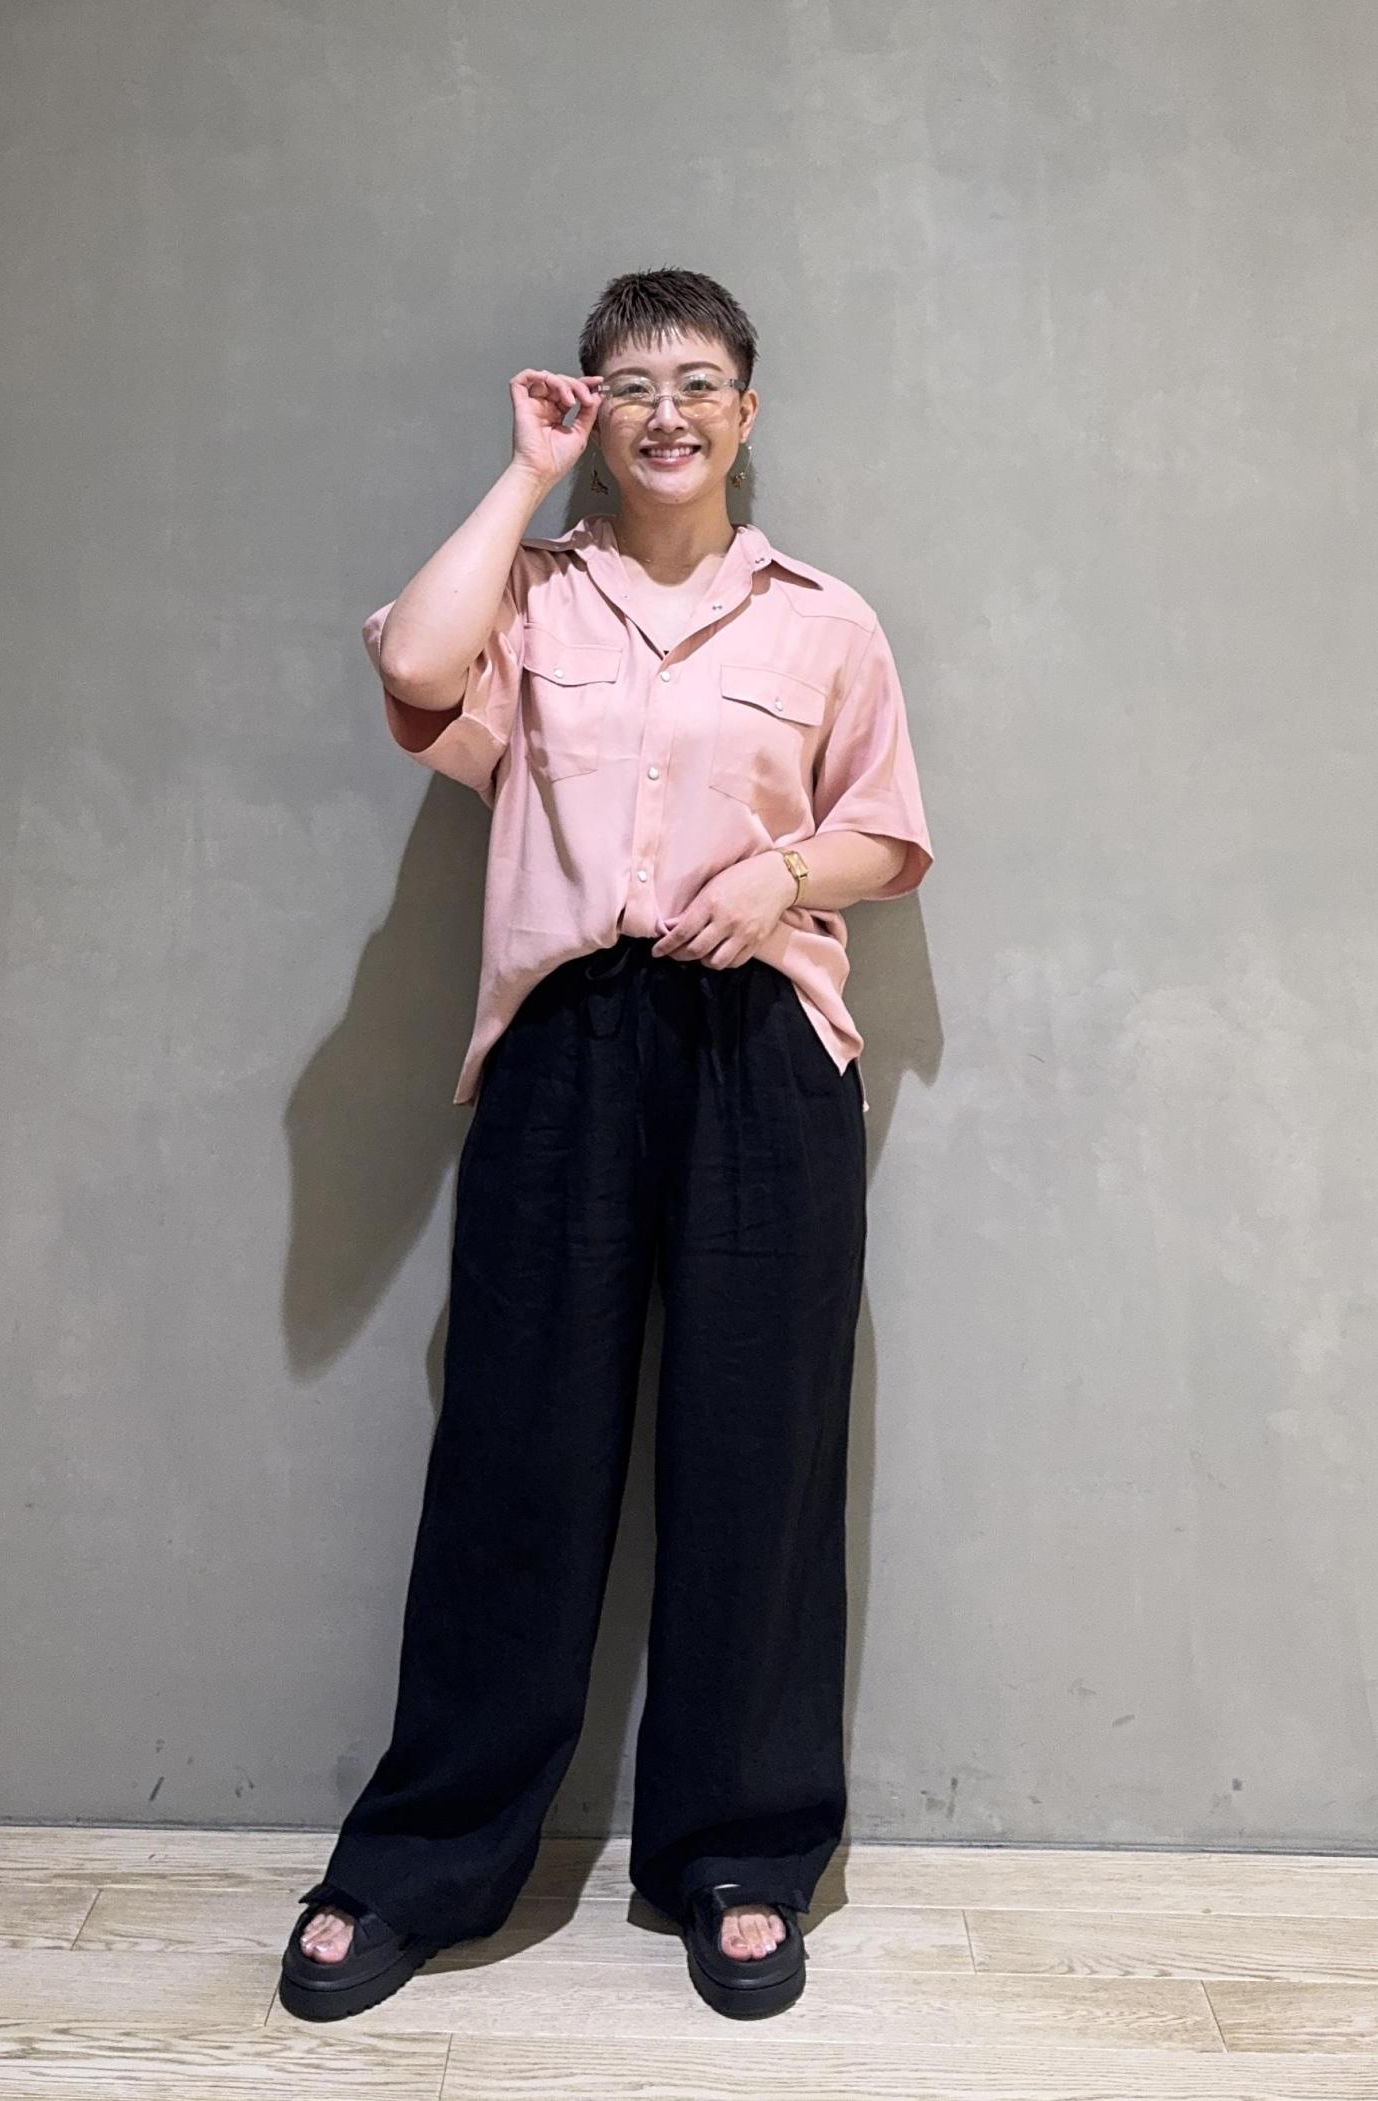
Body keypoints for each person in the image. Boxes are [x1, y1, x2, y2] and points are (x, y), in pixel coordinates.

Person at [279, 268, 933, 2024]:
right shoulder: (532, 596)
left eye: (699, 382)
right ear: (591, 407)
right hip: (565, 1046)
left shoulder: (823, 622)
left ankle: (743, 1855)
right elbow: (414, 671)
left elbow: (885, 831)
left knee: (758, 1453)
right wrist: (523, 473)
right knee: (519, 1452)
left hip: (763, 1057)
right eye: (630, 384)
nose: (667, 410)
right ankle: (422, 1860)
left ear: (745, 412)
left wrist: (777, 875)